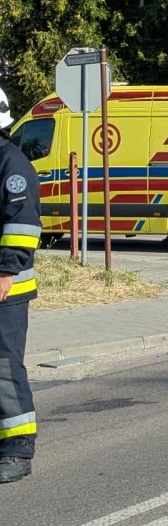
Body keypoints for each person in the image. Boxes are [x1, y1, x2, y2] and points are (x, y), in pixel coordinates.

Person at [0, 89, 40, 484]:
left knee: (3, 368)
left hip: (5, 289)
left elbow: (22, 226)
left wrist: (5, 272)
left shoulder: (12, 164)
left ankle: (16, 451)